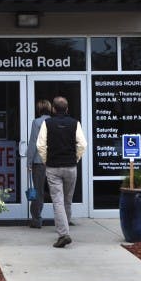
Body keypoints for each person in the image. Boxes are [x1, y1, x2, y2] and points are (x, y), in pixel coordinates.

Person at [37, 95, 87, 248]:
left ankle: (64, 234)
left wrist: (46, 160)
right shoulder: (75, 123)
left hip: (53, 167)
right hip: (70, 167)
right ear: (67, 108)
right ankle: (65, 230)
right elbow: (82, 144)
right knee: (67, 200)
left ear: (53, 108)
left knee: (57, 201)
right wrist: (76, 159)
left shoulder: (47, 123)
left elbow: (40, 145)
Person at [25, 99, 52, 228]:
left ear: (39, 109)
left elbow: (33, 143)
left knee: (38, 191)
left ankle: (37, 219)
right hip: (53, 161)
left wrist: (29, 161)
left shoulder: (37, 122)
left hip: (39, 162)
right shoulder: (53, 122)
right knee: (56, 191)